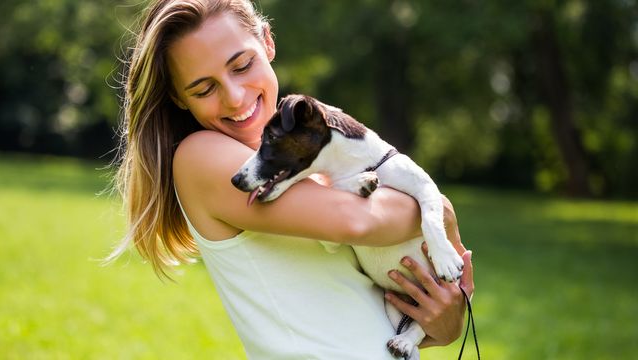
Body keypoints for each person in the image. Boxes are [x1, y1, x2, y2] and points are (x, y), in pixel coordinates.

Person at [109, 0, 475, 358]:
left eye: (241, 65)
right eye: (204, 89)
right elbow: (358, 220)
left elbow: (356, 312)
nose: (235, 99)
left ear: (267, 42)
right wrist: (438, 209)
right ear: (178, 97)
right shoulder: (201, 157)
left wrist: (443, 324)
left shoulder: (301, 162)